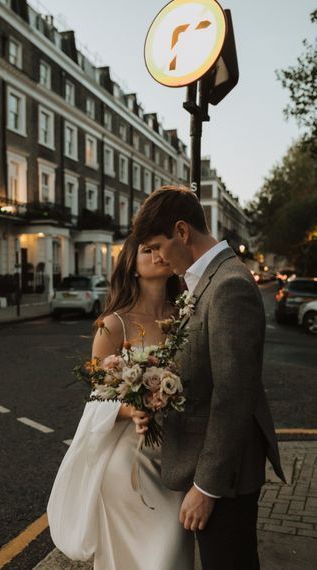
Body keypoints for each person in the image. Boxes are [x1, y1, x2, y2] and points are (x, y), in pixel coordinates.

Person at [132, 185, 286, 570]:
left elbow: (233, 395)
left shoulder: (229, 284)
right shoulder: (206, 280)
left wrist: (206, 488)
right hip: (211, 466)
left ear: (182, 232)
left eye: (157, 246)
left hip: (225, 478)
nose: (157, 257)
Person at [48, 234, 194, 570]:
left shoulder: (186, 317)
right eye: (148, 250)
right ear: (131, 265)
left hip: (176, 455)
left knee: (174, 556)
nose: (159, 254)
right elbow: (96, 396)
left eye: (160, 248)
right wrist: (130, 408)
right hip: (130, 462)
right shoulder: (113, 325)